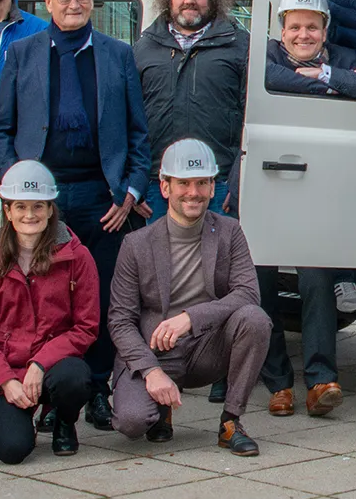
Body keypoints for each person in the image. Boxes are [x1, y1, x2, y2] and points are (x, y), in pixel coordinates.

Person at [0, 0, 151, 431]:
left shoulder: (119, 55)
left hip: (104, 202)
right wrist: (13, 180)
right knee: (46, 301)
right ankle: (53, 394)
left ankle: (99, 388)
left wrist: (130, 190)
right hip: (43, 205)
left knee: (102, 301)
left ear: (92, 0)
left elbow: (139, 136)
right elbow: (2, 129)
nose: (73, 5)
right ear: (47, 1)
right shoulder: (22, 54)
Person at [260, 0, 356, 418]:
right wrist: (321, 87)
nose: (303, 34)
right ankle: (277, 382)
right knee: (262, 288)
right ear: (281, 30)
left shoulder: (342, 60)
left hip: (317, 190)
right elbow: (267, 81)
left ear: (324, 29)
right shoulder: (267, 56)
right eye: (294, 26)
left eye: (312, 27)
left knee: (318, 282)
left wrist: (332, 77)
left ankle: (320, 381)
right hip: (270, 186)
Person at [107, 139, 271, 455]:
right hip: (156, 352)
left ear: (213, 188)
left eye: (202, 183)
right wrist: (151, 372)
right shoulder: (136, 244)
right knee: (131, 422)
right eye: (183, 183)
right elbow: (120, 320)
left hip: (207, 346)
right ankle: (160, 408)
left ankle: (231, 422)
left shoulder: (229, 231)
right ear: (165, 187)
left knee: (254, 319)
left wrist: (190, 318)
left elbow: (248, 292)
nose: (193, 192)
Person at [0, 160, 99, 462]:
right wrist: (4, 380)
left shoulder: (77, 256)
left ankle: (63, 419)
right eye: (21, 207)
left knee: (74, 378)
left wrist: (39, 365)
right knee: (11, 450)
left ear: (50, 209)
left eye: (38, 206)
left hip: (53, 365)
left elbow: (86, 327)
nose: (30, 215)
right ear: (7, 210)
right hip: (6, 368)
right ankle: (22, 415)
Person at [133, 0, 248, 217]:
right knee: (160, 259)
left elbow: (250, 119)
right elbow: (130, 121)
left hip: (218, 185)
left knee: (218, 258)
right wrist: (136, 181)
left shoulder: (240, 46)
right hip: (160, 184)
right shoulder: (143, 48)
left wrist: (237, 179)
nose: (189, 1)